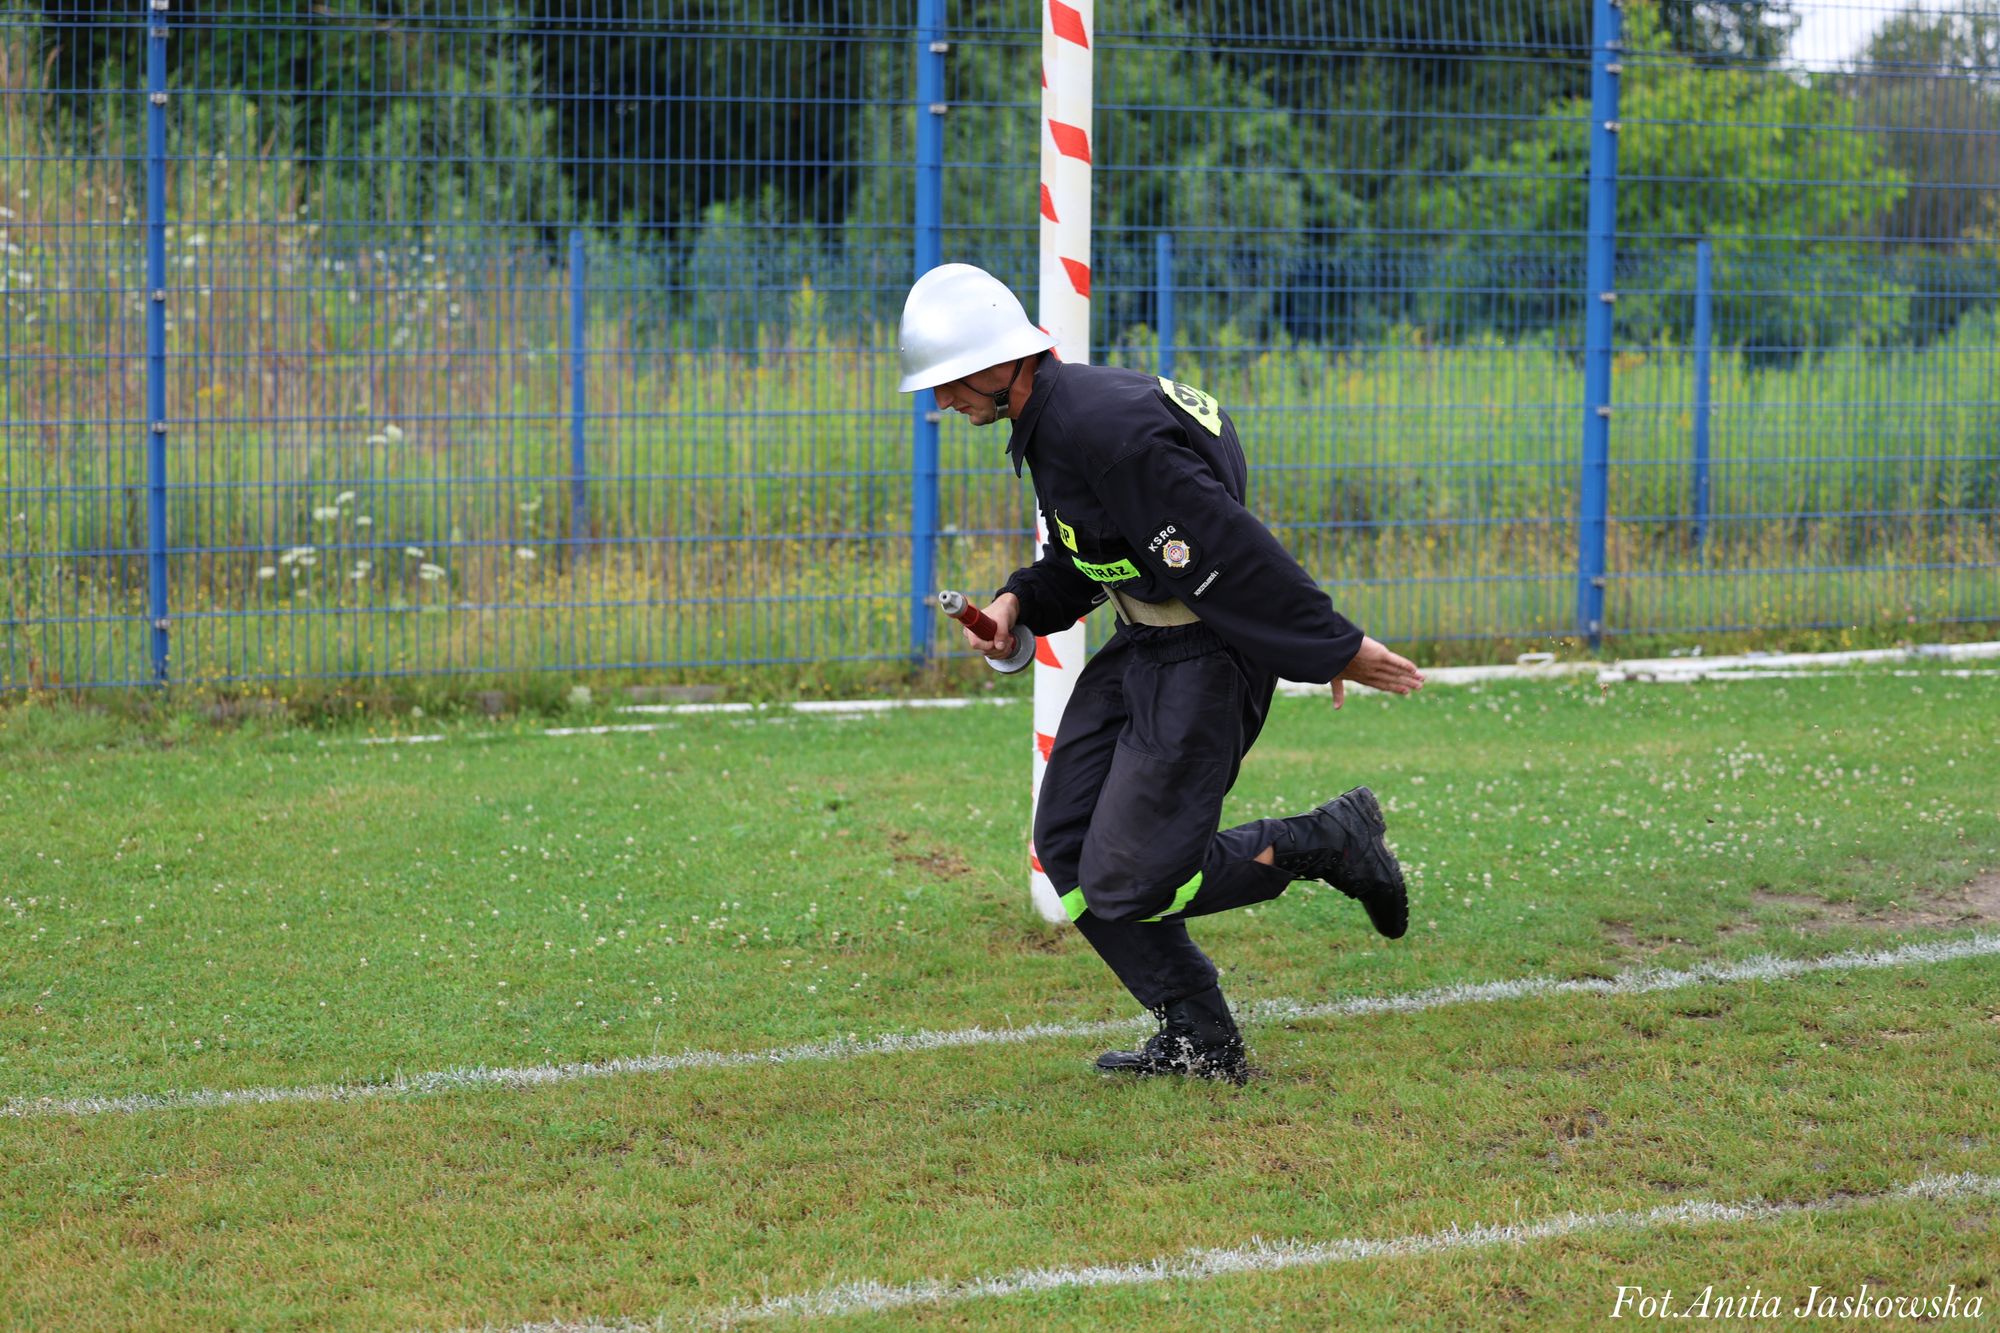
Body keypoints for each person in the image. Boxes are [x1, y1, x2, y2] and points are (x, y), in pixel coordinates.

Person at [898, 263, 1426, 1084]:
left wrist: (1331, 644)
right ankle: (1199, 1034)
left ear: (1001, 366)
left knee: (1133, 876)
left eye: (947, 384)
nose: (941, 403)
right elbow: (1097, 555)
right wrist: (1017, 601)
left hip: (1207, 656)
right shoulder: (1059, 423)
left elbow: (1224, 545)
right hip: (1143, 643)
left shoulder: (1105, 431)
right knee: (1069, 848)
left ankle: (1331, 838)